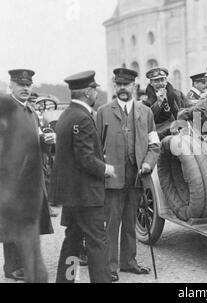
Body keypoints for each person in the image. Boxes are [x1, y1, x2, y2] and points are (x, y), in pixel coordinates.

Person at [96, 68, 161, 282]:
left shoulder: (146, 112)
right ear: (115, 86)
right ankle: (110, 266)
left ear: (134, 86)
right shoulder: (104, 112)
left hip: (136, 176)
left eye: (127, 84)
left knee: (130, 220)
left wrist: (148, 164)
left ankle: (129, 262)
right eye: (119, 84)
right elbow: (95, 147)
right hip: (112, 178)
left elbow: (154, 145)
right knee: (112, 223)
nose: (123, 88)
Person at [51, 71, 115, 283]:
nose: (96, 93)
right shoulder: (83, 117)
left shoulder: (67, 115)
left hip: (71, 195)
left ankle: (66, 280)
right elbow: (85, 158)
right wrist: (106, 168)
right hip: (86, 195)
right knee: (98, 243)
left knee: (73, 242)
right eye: (94, 89)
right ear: (88, 92)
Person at [2, 69, 54, 282]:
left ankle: (24, 264)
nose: (25, 88)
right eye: (20, 84)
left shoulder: (31, 112)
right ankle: (12, 267)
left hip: (33, 177)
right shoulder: (6, 112)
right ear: (11, 86)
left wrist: (46, 142)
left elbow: (34, 142)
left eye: (28, 85)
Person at [143, 67, 189, 139]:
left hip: (180, 133)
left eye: (162, 80)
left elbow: (188, 107)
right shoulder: (145, 100)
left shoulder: (178, 94)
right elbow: (147, 118)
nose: (160, 84)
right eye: (156, 81)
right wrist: (158, 103)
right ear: (151, 83)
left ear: (166, 81)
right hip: (159, 136)